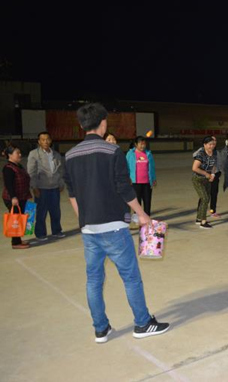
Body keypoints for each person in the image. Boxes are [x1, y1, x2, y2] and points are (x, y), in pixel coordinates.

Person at [64, 103, 169, 344]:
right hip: (114, 227)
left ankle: (101, 329)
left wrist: (83, 220)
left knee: (93, 280)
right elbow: (124, 188)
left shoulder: (70, 155)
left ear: (82, 125)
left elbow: (72, 194)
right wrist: (142, 214)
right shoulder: (112, 151)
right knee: (131, 277)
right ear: (103, 123)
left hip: (89, 229)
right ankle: (142, 323)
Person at [27, 131, 66, 240]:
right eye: (43, 140)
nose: (45, 142)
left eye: (47, 139)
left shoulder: (56, 154)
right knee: (41, 212)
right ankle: (40, 233)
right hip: (41, 188)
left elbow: (60, 170)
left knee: (56, 212)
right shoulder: (34, 154)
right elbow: (31, 172)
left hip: (54, 188)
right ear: (39, 142)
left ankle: (56, 231)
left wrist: (60, 183)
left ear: (51, 140)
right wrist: (34, 187)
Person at [2, 144, 31, 249]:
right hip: (13, 198)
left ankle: (18, 239)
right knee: (15, 219)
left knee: (19, 218)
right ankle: (15, 243)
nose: (20, 155)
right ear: (10, 155)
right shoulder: (8, 168)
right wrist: (13, 197)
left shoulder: (18, 166)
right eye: (17, 153)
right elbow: (8, 184)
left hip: (21, 197)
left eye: (20, 153)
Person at [126, 136, 156, 216]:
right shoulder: (130, 154)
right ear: (136, 144)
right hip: (135, 182)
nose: (143, 146)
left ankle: (147, 217)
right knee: (137, 202)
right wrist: (128, 178)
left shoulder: (148, 154)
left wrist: (153, 179)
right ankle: (138, 217)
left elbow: (152, 167)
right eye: (141, 144)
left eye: (144, 144)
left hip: (147, 182)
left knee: (147, 201)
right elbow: (126, 167)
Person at [192, 136, 217, 229]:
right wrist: (206, 174)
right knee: (205, 198)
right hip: (198, 179)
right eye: (209, 144)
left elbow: (214, 166)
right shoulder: (200, 155)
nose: (211, 146)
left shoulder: (214, 154)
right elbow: (194, 168)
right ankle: (203, 221)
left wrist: (212, 175)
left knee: (205, 198)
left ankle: (199, 218)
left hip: (207, 180)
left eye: (213, 144)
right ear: (204, 145)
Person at [208, 135, 222, 219]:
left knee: (214, 194)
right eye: (212, 140)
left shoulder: (217, 153)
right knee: (204, 196)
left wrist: (216, 174)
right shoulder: (202, 151)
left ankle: (212, 211)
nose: (214, 142)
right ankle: (200, 212)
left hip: (215, 176)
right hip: (205, 176)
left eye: (215, 140)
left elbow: (219, 165)